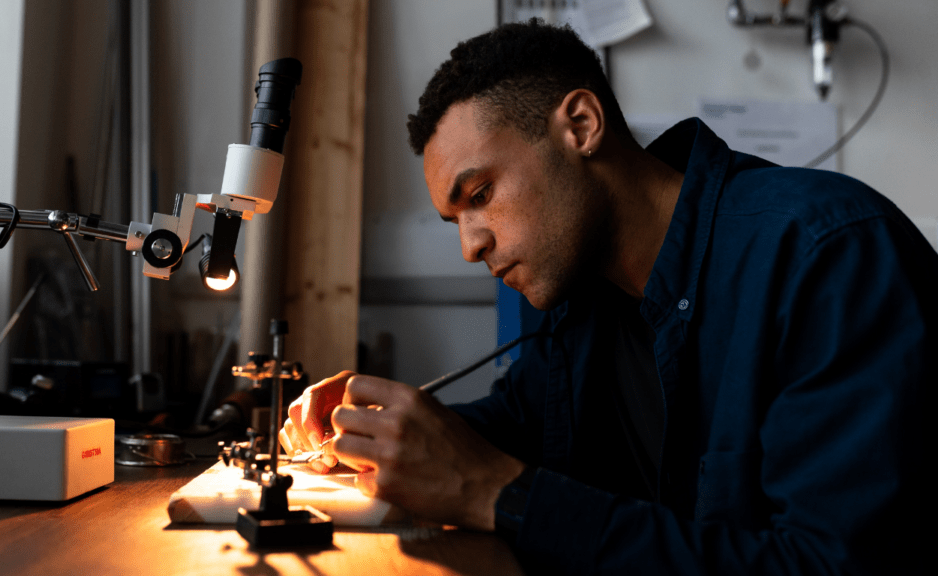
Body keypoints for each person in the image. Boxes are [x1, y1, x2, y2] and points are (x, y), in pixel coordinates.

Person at [280, 19, 934, 574]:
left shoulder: (828, 256)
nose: (470, 247)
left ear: (583, 125)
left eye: (479, 196)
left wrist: (496, 495)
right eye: (454, 221)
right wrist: (373, 433)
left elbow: (822, 564)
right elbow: (512, 428)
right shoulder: (584, 300)